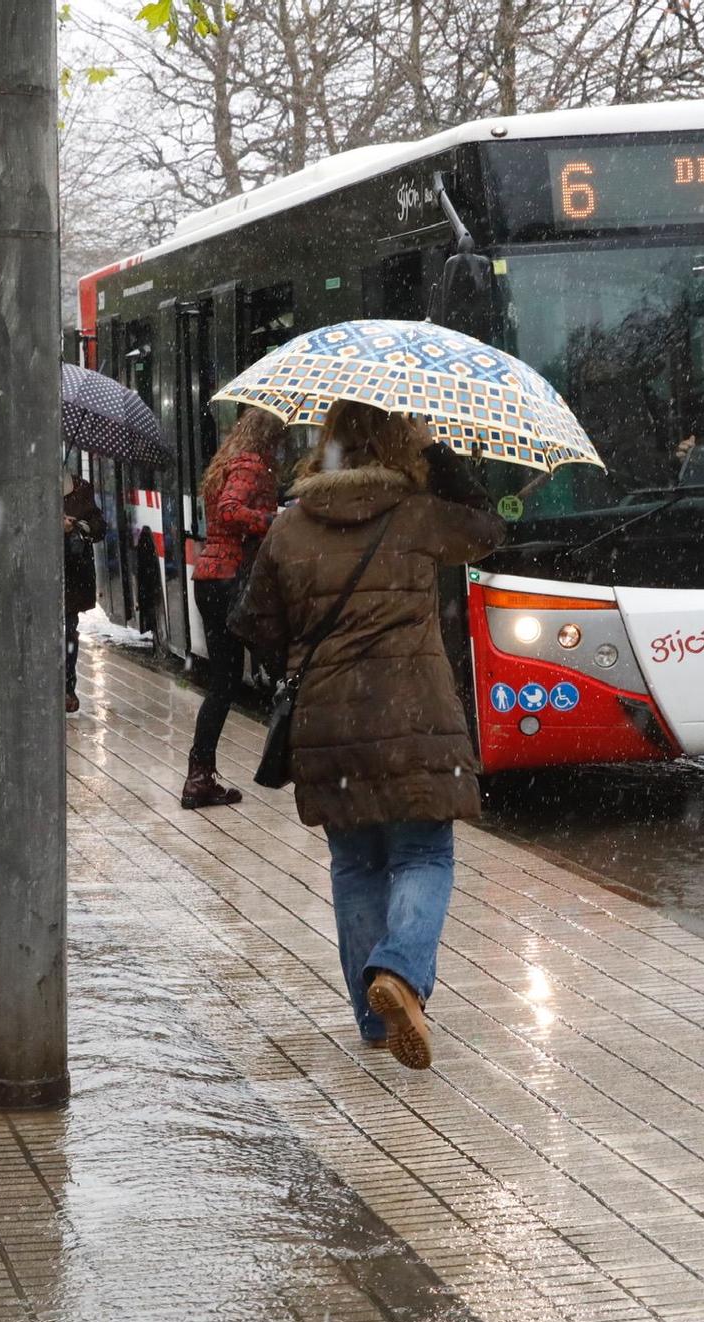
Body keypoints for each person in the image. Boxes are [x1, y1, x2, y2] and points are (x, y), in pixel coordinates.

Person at [232, 401, 503, 1070]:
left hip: (330, 723)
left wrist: (306, 661)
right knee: (423, 854)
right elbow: (489, 529)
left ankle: (374, 1020)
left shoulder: (290, 527)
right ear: (397, 441)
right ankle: (401, 973)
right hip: (414, 718)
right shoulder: (416, 514)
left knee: (355, 864)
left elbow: (255, 625)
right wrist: (438, 451)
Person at [181, 408, 286, 809]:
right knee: (274, 666)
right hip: (231, 579)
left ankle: (200, 773)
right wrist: (271, 519)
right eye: (278, 442)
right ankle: (288, 760)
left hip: (210, 578)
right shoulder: (251, 465)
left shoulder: (227, 461)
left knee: (224, 681)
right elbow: (229, 509)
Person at [63, 467, 106, 714]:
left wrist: (81, 526)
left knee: (68, 631)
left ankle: (68, 688)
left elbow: (99, 525)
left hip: (73, 575)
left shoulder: (81, 488)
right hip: (40, 574)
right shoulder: (28, 484)